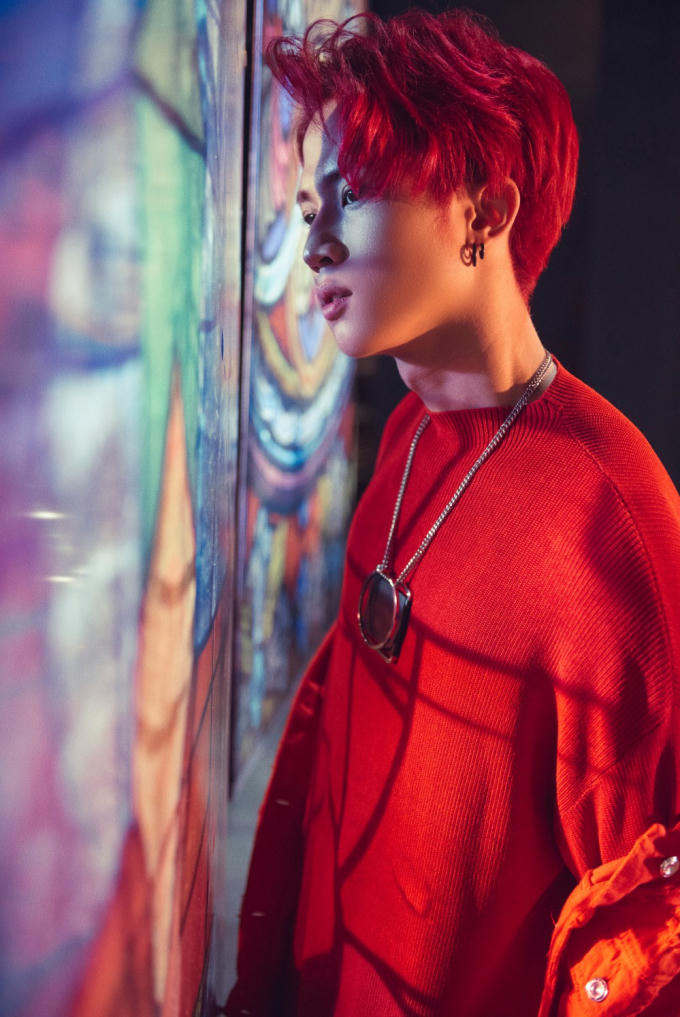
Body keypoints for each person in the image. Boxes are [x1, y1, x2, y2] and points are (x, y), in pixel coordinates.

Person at [227, 9, 680, 1016]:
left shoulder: (610, 522)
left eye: (354, 194)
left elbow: (651, 943)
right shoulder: (408, 439)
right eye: (308, 206)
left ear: (484, 212)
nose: (316, 244)